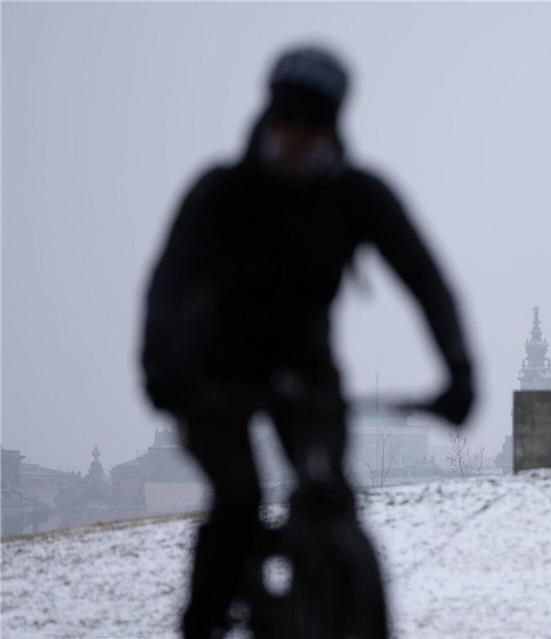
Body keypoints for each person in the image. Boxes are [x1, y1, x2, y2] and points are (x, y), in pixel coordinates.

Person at [140, 45, 475, 639]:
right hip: (214, 372)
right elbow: (168, 285)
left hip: (306, 367)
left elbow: (426, 280)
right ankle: (204, 623)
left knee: (329, 497)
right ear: (269, 119)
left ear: (332, 128)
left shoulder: (357, 196)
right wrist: (162, 372)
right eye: (288, 121)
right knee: (239, 498)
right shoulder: (220, 193)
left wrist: (458, 367)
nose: (299, 137)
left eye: (313, 124)